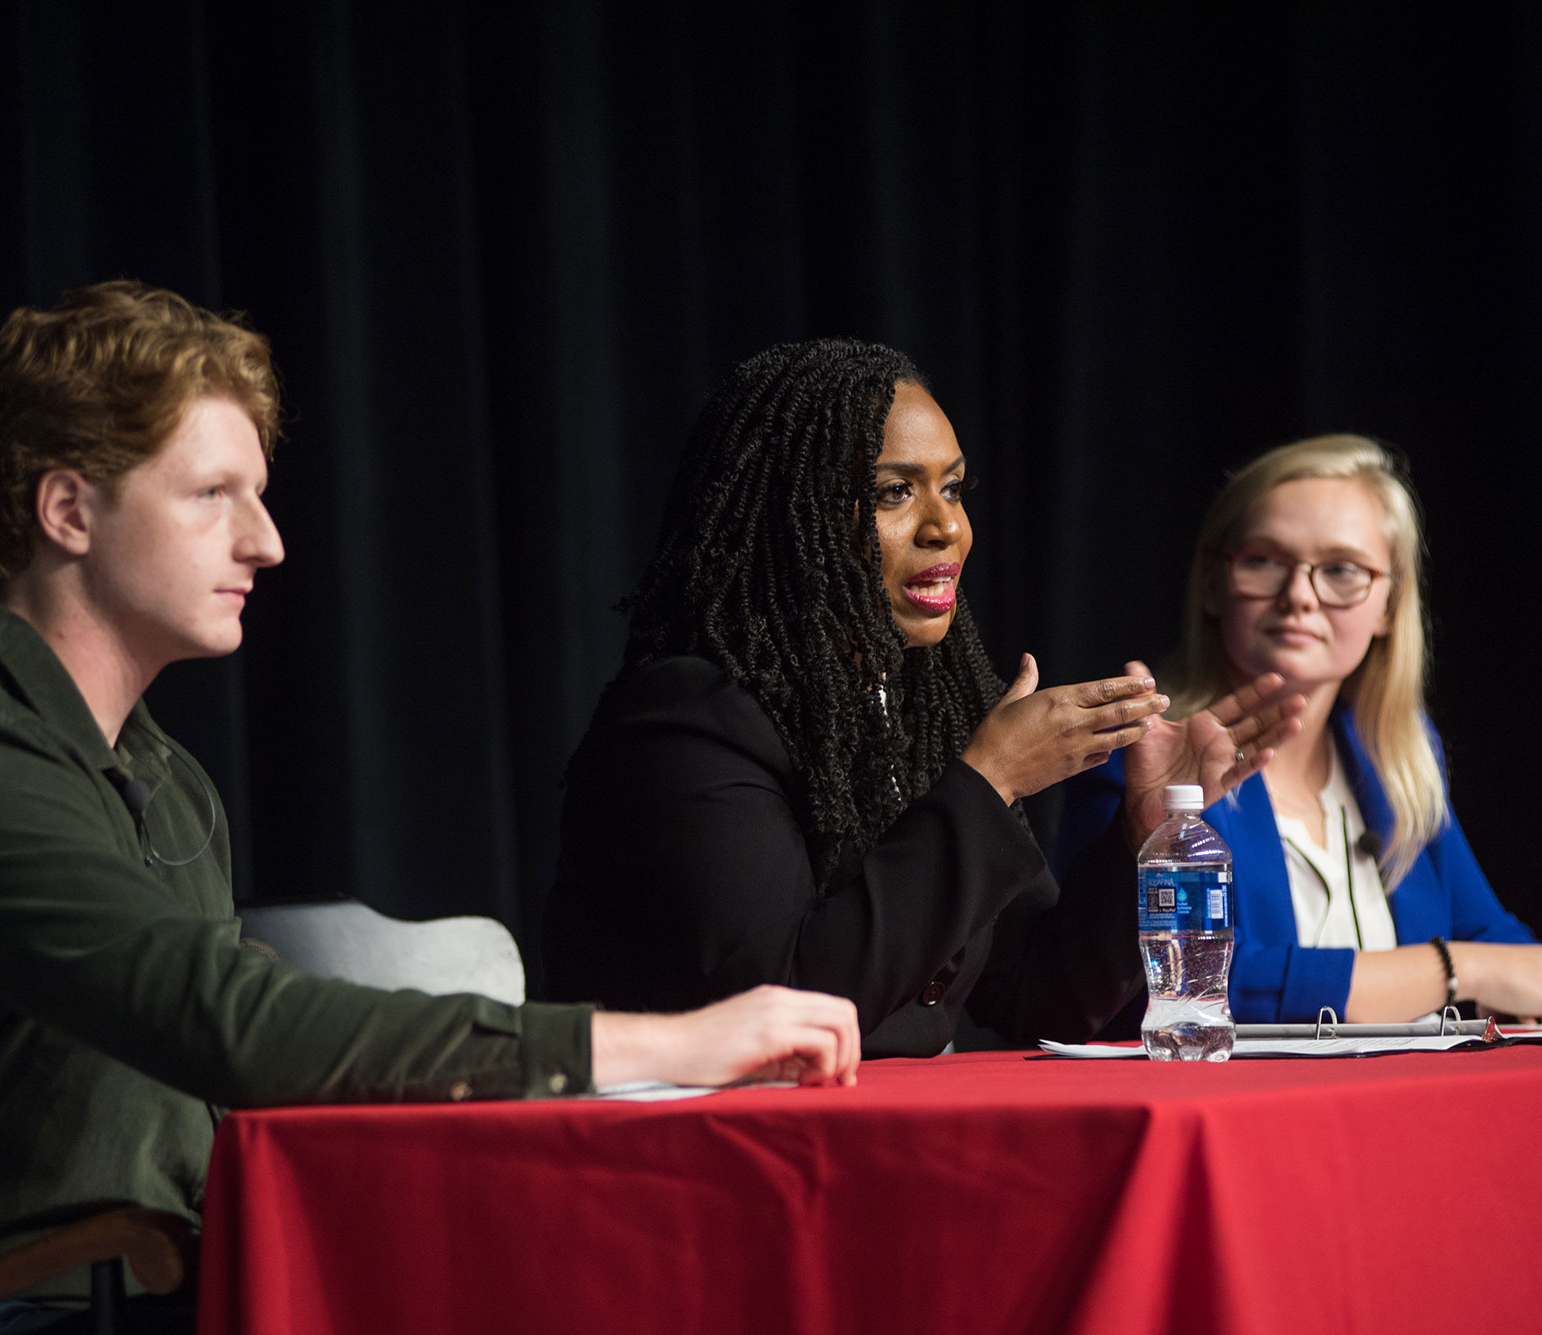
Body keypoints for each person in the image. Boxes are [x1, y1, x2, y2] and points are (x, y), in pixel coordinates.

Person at [0, 282, 860, 1331]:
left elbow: (249, 1044)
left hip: (160, 1287)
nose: (265, 542)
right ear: (68, 509)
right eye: (213, 494)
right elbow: (227, 1023)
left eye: (256, 496)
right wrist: (670, 1044)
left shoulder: (166, 782)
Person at [543, 338, 1302, 1056]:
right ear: (791, 517)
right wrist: (988, 779)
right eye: (894, 492)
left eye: (953, 488)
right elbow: (784, 1002)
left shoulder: (912, 709)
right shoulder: (691, 718)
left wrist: (1141, 836)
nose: (947, 527)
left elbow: (1043, 994)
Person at [1055, 434, 1542, 1025]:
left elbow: (1489, 935)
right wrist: (1458, 972)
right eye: (1265, 560)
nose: (1299, 596)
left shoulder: (1397, 751)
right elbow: (1199, 985)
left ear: (1389, 607)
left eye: (1342, 569)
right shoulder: (1146, 756)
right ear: (1214, 584)